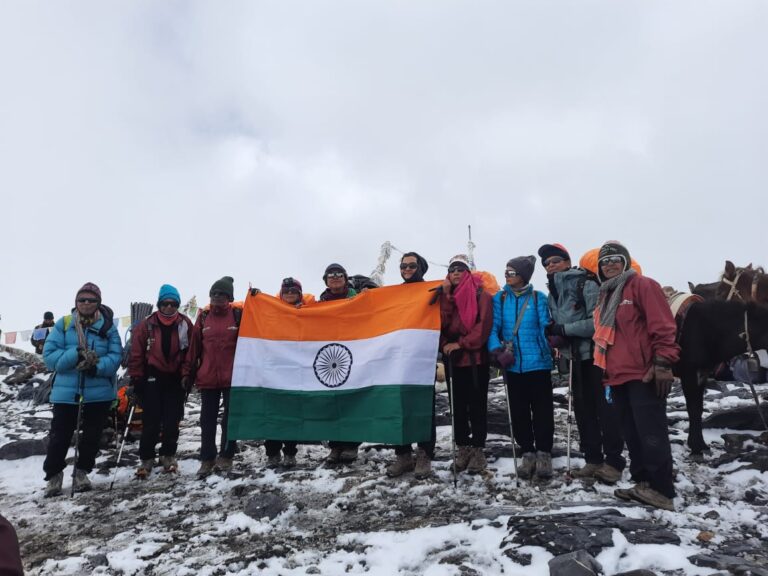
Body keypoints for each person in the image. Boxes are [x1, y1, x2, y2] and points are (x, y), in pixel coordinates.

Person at [592, 241, 679, 511]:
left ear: (626, 262)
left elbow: (663, 325)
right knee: (632, 433)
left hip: (644, 374)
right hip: (617, 376)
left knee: (651, 432)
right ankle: (643, 483)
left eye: (616, 259)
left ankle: (662, 490)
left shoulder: (642, 285)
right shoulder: (605, 295)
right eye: (604, 261)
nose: (610, 264)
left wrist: (663, 363)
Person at [538, 243, 626, 484]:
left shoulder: (585, 284)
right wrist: (557, 336)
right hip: (574, 359)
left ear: (567, 262)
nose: (551, 265)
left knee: (605, 410)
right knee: (583, 411)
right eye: (547, 263)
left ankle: (614, 462)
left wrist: (564, 330)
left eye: (556, 260)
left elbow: (597, 322)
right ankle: (593, 459)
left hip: (596, 357)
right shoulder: (554, 291)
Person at [42, 282, 122, 497]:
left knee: (92, 437)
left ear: (99, 303)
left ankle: (82, 472)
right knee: (60, 435)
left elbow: (116, 358)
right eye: (82, 299)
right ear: (75, 302)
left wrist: (96, 367)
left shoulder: (108, 328)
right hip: (66, 393)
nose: (86, 303)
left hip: (99, 393)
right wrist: (75, 355)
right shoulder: (64, 324)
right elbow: (49, 358)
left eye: (91, 300)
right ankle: (53, 475)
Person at [488, 256, 554, 479]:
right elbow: (493, 328)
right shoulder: (501, 297)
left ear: (523, 276)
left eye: (512, 272)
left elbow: (545, 327)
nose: (507, 275)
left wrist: (553, 343)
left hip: (539, 364)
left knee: (543, 411)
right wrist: (497, 350)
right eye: (506, 271)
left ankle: (544, 453)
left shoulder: (538, 298)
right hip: (513, 365)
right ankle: (527, 451)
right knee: (518, 411)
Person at [127, 284, 194, 478]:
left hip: (176, 378)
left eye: (173, 304)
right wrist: (137, 378)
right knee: (151, 421)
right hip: (151, 377)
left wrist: (187, 375)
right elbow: (137, 353)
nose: (169, 307)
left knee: (173, 420)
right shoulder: (146, 325)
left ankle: (168, 455)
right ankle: (146, 458)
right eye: (165, 303)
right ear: (159, 304)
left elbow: (190, 352)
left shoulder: (185, 324)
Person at [440, 254, 494, 474]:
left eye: (460, 269)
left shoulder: (482, 295)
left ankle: (478, 449)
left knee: (477, 406)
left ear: (468, 272)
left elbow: (483, 327)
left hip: (475, 360)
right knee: (458, 408)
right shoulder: (443, 296)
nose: (455, 272)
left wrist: (460, 344)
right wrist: (444, 344)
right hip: (453, 360)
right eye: (452, 268)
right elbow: (438, 323)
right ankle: (463, 448)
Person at [185, 276, 240, 478]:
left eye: (222, 294)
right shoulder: (202, 318)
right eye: (214, 294)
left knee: (230, 419)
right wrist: (188, 374)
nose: (217, 297)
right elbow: (194, 349)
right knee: (206, 420)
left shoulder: (238, 315)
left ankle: (227, 455)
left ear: (229, 297)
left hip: (232, 377)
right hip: (207, 377)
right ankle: (207, 458)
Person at [387, 252, 436, 479]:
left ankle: (425, 454)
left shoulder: (431, 292)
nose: (407, 269)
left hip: (421, 359)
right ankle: (403, 455)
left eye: (412, 265)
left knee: (424, 407)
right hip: (397, 360)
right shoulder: (394, 294)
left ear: (421, 268)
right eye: (403, 265)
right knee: (399, 407)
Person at [319, 263, 360, 464]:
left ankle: (351, 445)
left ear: (346, 278)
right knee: (332, 402)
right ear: (325, 280)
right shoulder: (320, 303)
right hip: (330, 356)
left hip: (355, 354)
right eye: (330, 275)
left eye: (339, 274)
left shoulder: (360, 298)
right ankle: (335, 446)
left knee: (351, 401)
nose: (335, 277)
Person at [264, 277, 306, 468]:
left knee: (291, 413)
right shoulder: (272, 311)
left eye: (293, 291)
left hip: (295, 370)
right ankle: (272, 452)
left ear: (299, 294)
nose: (289, 294)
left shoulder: (307, 312)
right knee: (272, 413)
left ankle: (290, 452)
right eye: (286, 291)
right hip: (274, 370)